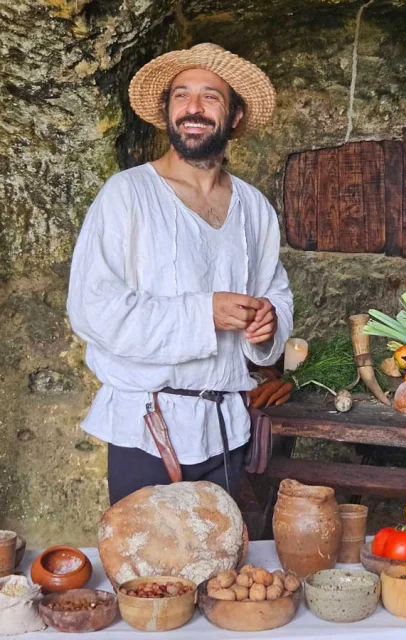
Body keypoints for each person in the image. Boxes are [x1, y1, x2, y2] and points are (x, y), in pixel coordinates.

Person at [67, 43, 293, 505]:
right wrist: (203, 313)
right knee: (149, 574)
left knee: (219, 572)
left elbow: (276, 291)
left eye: (210, 96)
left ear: (233, 117)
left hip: (227, 429)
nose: (193, 108)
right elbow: (93, 310)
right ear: (168, 111)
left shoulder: (254, 207)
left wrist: (268, 320)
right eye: (181, 96)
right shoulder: (127, 194)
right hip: (148, 427)